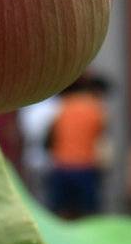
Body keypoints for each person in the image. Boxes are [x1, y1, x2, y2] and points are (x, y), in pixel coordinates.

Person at [48, 73, 111, 219]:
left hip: (62, 165)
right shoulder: (96, 108)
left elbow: (52, 135)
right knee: (88, 215)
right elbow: (102, 139)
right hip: (85, 166)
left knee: (62, 214)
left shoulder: (63, 105)